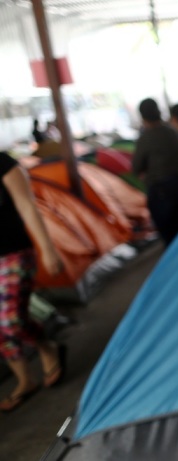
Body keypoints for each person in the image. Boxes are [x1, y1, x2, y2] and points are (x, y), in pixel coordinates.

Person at [0, 151, 65, 412]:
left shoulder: (4, 163)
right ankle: (24, 379)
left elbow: (26, 205)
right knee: (1, 326)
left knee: (11, 320)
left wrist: (47, 249)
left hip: (14, 254)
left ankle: (47, 347)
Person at [132, 98, 178, 246]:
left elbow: (136, 167)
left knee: (169, 236)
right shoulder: (172, 131)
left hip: (160, 192)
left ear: (142, 116)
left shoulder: (146, 137)